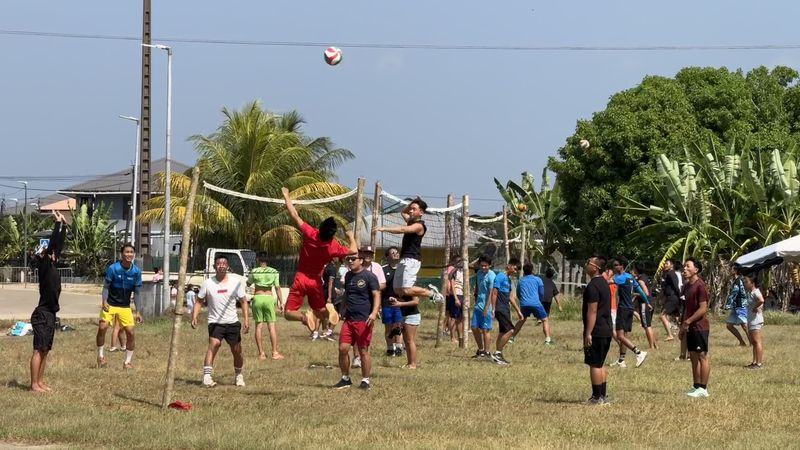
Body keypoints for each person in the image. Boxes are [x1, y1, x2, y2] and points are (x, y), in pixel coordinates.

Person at [281, 187, 358, 332]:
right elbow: (354, 250)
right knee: (321, 313)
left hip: (301, 278)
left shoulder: (310, 234)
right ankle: (329, 311)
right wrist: (351, 237)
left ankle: (304, 318)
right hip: (315, 281)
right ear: (332, 235)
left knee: (289, 313)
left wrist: (286, 195)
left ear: (320, 228)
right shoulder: (333, 247)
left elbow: (294, 214)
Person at [192, 255, 249, 387]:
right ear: (214, 267)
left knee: (236, 349)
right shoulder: (207, 283)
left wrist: (246, 320)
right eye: (218, 263)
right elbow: (199, 301)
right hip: (215, 322)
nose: (221, 265)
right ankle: (206, 377)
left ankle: (239, 376)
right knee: (214, 344)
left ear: (227, 266)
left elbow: (243, 302)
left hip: (232, 322)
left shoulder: (235, 283)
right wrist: (194, 316)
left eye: (224, 263)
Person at [374, 197, 445, 304]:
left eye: (414, 209)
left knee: (407, 289)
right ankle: (426, 294)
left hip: (412, 260)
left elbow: (402, 229)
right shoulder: (410, 221)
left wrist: (383, 228)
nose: (410, 211)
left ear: (421, 212)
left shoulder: (419, 226)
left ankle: (431, 293)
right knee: (398, 290)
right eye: (410, 209)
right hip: (403, 259)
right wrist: (413, 203)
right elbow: (403, 211)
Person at [29, 210, 67, 392]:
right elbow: (53, 244)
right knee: (38, 349)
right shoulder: (44, 266)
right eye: (48, 253)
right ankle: (34, 384)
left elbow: (57, 246)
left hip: (50, 314)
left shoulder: (51, 264)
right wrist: (57, 225)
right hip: (42, 314)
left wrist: (64, 226)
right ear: (42, 257)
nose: (52, 254)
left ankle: (40, 381)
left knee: (45, 350)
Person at [332, 254, 381, 390]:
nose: (351, 261)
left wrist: (374, 313)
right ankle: (345, 378)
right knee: (343, 348)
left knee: (363, 351)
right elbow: (347, 294)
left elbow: (377, 295)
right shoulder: (348, 276)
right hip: (349, 319)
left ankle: (365, 380)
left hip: (363, 320)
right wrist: (342, 308)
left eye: (354, 259)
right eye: (349, 259)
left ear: (361, 260)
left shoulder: (369, 276)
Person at [96, 243, 143, 369]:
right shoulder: (113, 268)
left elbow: (137, 293)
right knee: (102, 327)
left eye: (131, 252)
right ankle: (100, 356)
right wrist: (104, 300)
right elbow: (106, 287)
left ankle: (127, 362)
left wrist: (138, 311)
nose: (129, 254)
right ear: (122, 254)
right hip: (110, 304)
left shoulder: (136, 272)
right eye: (127, 252)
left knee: (131, 333)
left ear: (134, 254)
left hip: (125, 306)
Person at [582, 255, 613, 405]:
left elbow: (592, 311)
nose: (585, 264)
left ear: (595, 267)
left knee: (594, 364)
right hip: (606, 329)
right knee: (600, 363)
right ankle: (603, 396)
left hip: (597, 330)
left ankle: (596, 397)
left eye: (588, 263)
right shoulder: (604, 284)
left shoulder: (593, 286)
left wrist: (588, 332)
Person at [609, 257, 648, 368]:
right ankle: (621, 361)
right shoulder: (630, 277)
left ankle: (639, 353)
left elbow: (607, 282)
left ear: (622, 266)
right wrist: (647, 302)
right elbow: (639, 290)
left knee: (620, 336)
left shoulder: (620, 278)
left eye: (616, 265)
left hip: (622, 309)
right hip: (630, 309)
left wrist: (607, 276)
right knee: (624, 335)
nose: (614, 266)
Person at [681, 257, 710, 397]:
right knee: (693, 356)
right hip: (690, 326)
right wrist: (683, 325)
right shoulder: (686, 286)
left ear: (696, 270)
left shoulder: (700, 286)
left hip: (700, 327)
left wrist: (689, 321)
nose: (684, 269)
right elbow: (687, 308)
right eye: (684, 267)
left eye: (688, 266)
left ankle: (704, 389)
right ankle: (696, 386)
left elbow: (703, 308)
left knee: (702, 356)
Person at [247, 252, 284, 360]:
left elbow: (248, 283)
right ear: (268, 260)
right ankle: (274, 352)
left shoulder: (254, 271)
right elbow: (277, 287)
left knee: (259, 326)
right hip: (269, 298)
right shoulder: (274, 271)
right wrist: (281, 302)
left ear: (258, 260)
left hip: (258, 298)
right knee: (271, 326)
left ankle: (261, 353)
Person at [511, 263, 552, 349]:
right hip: (536, 303)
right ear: (532, 270)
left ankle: (511, 338)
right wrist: (540, 301)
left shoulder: (521, 280)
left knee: (521, 320)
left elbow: (518, 293)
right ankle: (548, 340)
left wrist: (522, 301)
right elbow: (541, 293)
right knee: (545, 320)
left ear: (524, 271)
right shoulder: (538, 279)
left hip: (524, 304)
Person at [490, 258, 522, 365]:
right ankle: (497, 354)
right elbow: (494, 293)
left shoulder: (508, 279)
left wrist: (518, 311)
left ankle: (498, 354)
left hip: (505, 308)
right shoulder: (500, 276)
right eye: (515, 269)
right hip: (500, 308)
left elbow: (510, 297)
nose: (515, 271)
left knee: (503, 332)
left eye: (517, 270)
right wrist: (493, 308)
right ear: (509, 265)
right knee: (511, 330)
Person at [470, 256, 496, 359]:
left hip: (487, 307)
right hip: (478, 305)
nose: (484, 267)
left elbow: (491, 293)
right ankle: (481, 350)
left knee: (486, 330)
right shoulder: (479, 274)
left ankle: (487, 352)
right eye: (482, 265)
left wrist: (487, 307)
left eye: (486, 265)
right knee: (474, 327)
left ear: (489, 265)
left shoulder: (491, 276)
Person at [380, 247, 404, 356]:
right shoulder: (383, 269)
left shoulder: (403, 269)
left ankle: (399, 348)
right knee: (388, 326)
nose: (395, 254)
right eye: (392, 253)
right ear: (387, 256)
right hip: (386, 302)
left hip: (399, 302)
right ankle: (390, 349)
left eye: (396, 252)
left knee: (398, 325)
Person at [631, 263, 657, 350]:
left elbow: (645, 293)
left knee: (646, 326)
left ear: (636, 270)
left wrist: (634, 293)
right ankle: (655, 345)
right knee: (649, 325)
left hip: (645, 304)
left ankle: (651, 346)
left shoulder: (640, 280)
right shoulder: (645, 277)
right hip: (651, 302)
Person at [742, 273, 765, 369]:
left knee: (757, 341)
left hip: (756, 320)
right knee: (753, 342)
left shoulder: (756, 292)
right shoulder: (750, 293)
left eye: (746, 282)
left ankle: (759, 364)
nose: (745, 283)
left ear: (752, 283)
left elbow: (761, 300)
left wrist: (756, 307)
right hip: (751, 319)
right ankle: (754, 362)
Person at [724, 264, 750, 347]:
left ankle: (752, 343)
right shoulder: (736, 280)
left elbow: (734, 293)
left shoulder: (739, 280)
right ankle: (742, 342)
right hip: (736, 307)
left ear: (735, 271)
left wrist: (727, 305)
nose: (729, 270)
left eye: (730, 269)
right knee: (729, 325)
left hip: (741, 305)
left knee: (744, 325)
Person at [659, 259, 682, 342]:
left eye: (667, 264)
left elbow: (676, 285)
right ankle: (684, 333)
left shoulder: (671, 273)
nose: (665, 265)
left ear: (672, 265)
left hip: (672, 298)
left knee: (662, 315)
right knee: (677, 317)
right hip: (673, 298)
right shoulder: (668, 274)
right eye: (665, 264)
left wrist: (680, 296)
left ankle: (670, 335)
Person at [445, 255, 465, 344]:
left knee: (460, 317)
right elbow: (452, 285)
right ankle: (452, 337)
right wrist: (456, 298)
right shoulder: (454, 271)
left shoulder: (463, 271)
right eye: (460, 262)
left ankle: (460, 337)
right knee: (453, 317)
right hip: (456, 294)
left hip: (462, 294)